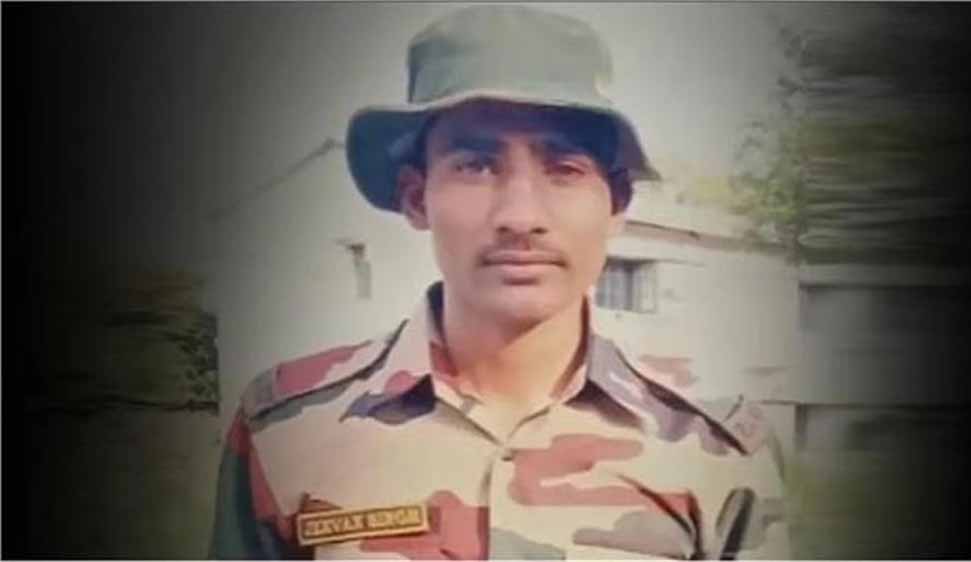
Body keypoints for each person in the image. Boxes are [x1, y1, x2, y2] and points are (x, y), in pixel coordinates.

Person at [211, 5, 789, 560]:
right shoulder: (289, 432)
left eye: (565, 169)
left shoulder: (713, 451)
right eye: (476, 165)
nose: (520, 215)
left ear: (616, 204)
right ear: (416, 198)